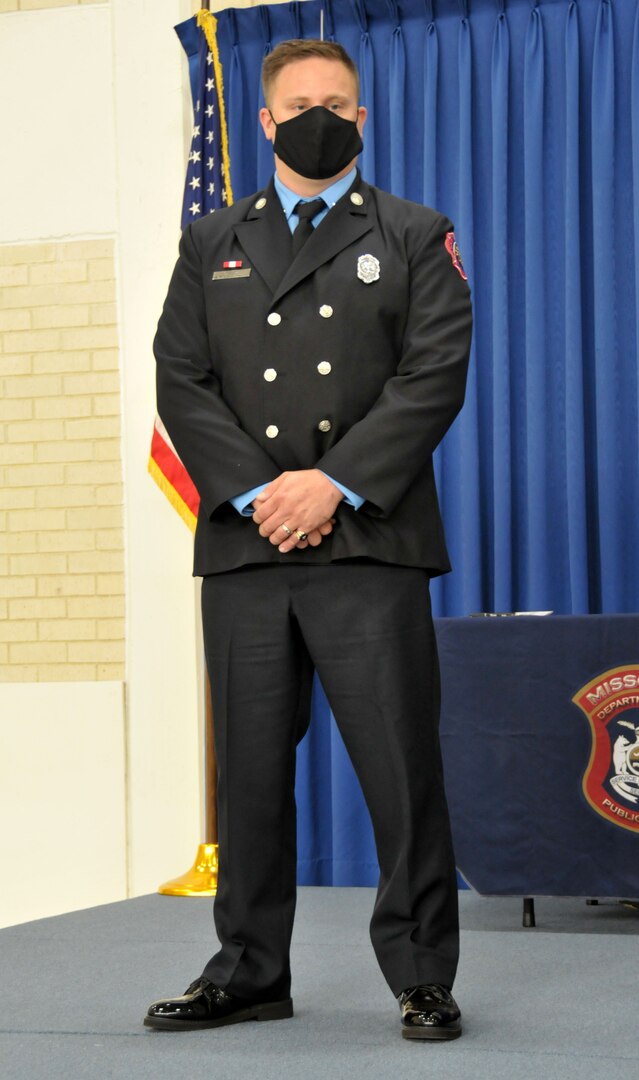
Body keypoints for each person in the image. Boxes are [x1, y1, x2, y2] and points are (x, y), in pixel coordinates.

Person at [146, 39, 472, 1041]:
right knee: (246, 773)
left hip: (368, 542)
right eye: (298, 103)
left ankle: (420, 974)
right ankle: (247, 969)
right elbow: (180, 377)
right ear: (264, 120)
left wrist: (329, 485)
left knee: (399, 769)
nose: (317, 115)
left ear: (363, 119)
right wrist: (259, 493)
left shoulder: (416, 233)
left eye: (337, 102)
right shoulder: (214, 241)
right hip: (249, 550)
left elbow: (433, 376)